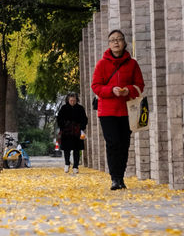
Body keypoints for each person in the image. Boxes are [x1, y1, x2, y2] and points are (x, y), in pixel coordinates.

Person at [91, 29, 144, 190]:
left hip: (127, 110)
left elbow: (140, 85)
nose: (116, 42)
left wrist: (128, 90)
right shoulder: (102, 64)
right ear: (109, 44)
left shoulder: (133, 64)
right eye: (112, 40)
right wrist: (111, 90)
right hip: (107, 111)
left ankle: (121, 176)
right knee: (112, 143)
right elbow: (95, 86)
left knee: (124, 144)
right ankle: (114, 178)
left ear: (124, 43)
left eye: (119, 39)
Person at [56, 92, 88, 174]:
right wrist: (63, 126)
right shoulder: (64, 108)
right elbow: (59, 119)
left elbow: (84, 119)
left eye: (74, 100)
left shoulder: (80, 108)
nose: (72, 102)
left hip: (77, 131)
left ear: (76, 100)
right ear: (68, 100)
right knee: (67, 149)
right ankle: (67, 163)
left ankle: (75, 166)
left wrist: (81, 127)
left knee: (76, 149)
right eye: (71, 100)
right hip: (66, 131)